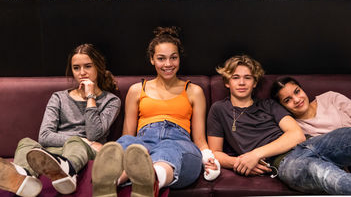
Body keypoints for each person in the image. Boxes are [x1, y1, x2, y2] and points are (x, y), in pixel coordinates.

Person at [92, 27, 220, 197]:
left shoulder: (194, 91)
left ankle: (149, 181)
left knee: (169, 148)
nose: (168, 64)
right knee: (128, 142)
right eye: (161, 58)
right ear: (152, 59)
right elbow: (128, 135)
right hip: (143, 142)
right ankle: (111, 184)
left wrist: (209, 159)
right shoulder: (137, 90)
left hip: (179, 143)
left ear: (179, 58)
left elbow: (200, 140)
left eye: (173, 58)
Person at [0, 43, 121, 197]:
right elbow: (44, 136)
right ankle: (24, 177)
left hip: (84, 151)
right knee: (26, 142)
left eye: (88, 66)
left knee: (75, 142)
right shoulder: (59, 97)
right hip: (54, 152)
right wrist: (85, 140)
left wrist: (91, 97)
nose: (82, 72)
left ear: (98, 67)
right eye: (76, 68)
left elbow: (93, 134)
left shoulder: (111, 101)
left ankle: (67, 172)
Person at [269, 76, 351, 195]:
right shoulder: (295, 128)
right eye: (288, 100)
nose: (297, 100)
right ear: (283, 107)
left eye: (297, 92)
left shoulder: (330, 98)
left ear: (302, 90)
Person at [207, 55, 306, 178]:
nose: (242, 83)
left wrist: (255, 155)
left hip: (308, 144)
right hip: (284, 160)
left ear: (255, 83)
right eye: (236, 77)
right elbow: (215, 152)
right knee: (326, 175)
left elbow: (297, 135)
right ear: (227, 82)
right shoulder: (219, 109)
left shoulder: (269, 104)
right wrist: (241, 163)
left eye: (247, 78)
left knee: (337, 138)